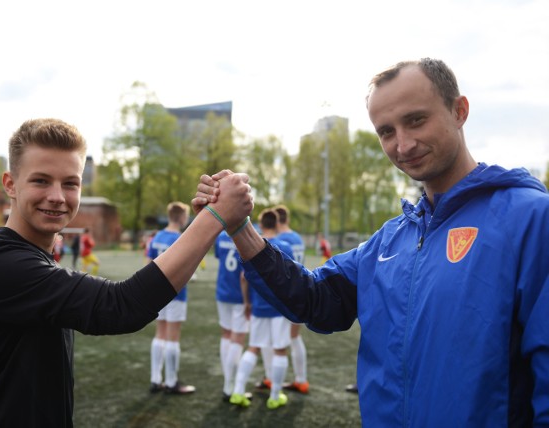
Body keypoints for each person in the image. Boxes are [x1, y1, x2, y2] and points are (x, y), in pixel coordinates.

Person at [196, 58, 549, 426]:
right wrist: (239, 227)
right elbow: (315, 301)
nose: (403, 144)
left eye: (416, 120)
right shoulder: (391, 239)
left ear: (459, 111)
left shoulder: (530, 219)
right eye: (386, 131)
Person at [0, 118, 253, 426]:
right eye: (41, 180)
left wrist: (206, 217)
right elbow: (120, 306)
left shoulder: (26, 255)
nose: (57, 195)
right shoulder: (1, 263)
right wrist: (215, 217)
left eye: (70, 183)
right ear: (10, 184)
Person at [229, 208, 294, 410]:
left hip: (258, 306)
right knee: (280, 350)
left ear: (262, 224)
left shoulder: (253, 245)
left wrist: (247, 303)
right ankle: (275, 396)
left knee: (253, 347)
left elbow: (243, 278)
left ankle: (238, 392)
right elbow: (292, 278)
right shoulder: (286, 246)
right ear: (277, 224)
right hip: (279, 307)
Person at [146, 201, 196, 395]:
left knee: (160, 333)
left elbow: (148, 265)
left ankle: (155, 379)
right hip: (176, 292)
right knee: (173, 337)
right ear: (182, 218)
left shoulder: (157, 236)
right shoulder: (181, 239)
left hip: (156, 292)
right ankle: (171, 382)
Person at [274, 204, 309, 394]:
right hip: (301, 291)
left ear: (277, 220)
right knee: (295, 337)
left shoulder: (280, 240)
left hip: (284, 295)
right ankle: (301, 379)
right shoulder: (297, 238)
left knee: (277, 340)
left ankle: (272, 379)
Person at [214, 229, 250, 401]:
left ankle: (227, 383)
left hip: (222, 290)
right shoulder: (248, 233)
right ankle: (230, 385)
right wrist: (248, 301)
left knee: (226, 335)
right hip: (239, 295)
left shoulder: (221, 235)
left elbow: (220, 257)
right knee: (237, 339)